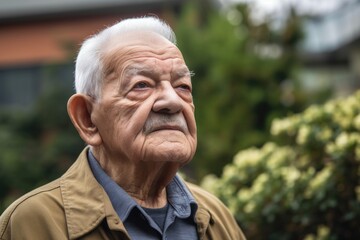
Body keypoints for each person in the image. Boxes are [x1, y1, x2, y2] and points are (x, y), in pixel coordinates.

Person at [0, 16, 246, 240]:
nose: (172, 101)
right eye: (141, 85)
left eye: (182, 86)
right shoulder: (32, 224)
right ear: (87, 117)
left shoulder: (215, 217)